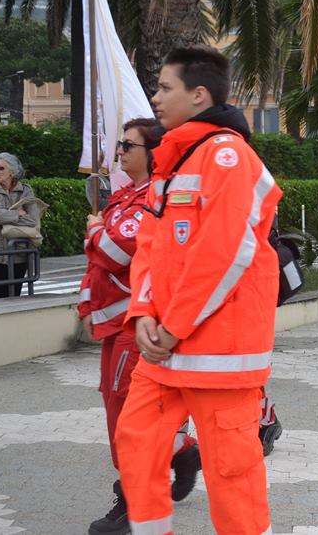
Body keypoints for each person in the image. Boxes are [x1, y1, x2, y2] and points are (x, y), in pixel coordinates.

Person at [114, 45, 281, 535]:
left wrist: (170, 328)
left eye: (165, 87)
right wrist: (143, 312)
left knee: (233, 471)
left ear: (199, 94)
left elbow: (224, 256)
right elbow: (150, 246)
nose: (156, 96)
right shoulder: (172, 161)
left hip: (218, 354)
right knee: (137, 443)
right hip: (165, 345)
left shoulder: (227, 157)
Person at [80, 119, 204, 535]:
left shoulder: (152, 197)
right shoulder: (124, 196)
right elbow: (101, 260)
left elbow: (116, 251)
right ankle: (182, 450)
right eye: (119, 143)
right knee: (119, 412)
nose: (120, 150)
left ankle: (133, 499)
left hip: (135, 323)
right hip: (114, 322)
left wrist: (95, 230)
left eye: (128, 144)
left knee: (129, 419)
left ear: (151, 152)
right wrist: (86, 298)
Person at [0, 153, 41, 299]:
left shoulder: (26, 190)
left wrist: (0, 212)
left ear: (13, 172)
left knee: (15, 295)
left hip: (19, 252)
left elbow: (33, 220)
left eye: (1, 168)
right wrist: (18, 214)